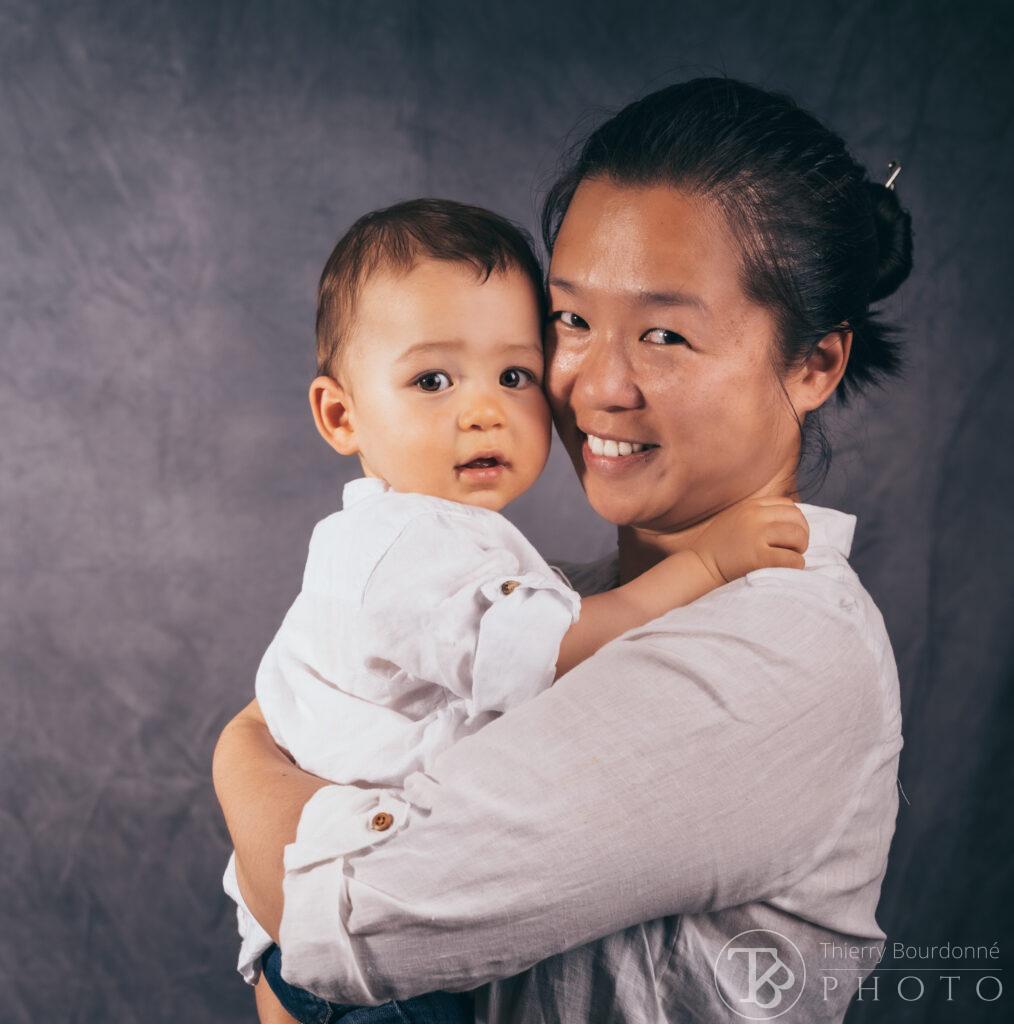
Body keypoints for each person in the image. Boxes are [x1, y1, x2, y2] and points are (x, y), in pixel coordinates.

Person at [213, 77, 913, 1023]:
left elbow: (354, 922)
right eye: (573, 321)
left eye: (665, 334)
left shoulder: (781, 652)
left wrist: (240, 752)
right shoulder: (552, 597)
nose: (595, 384)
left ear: (813, 364)